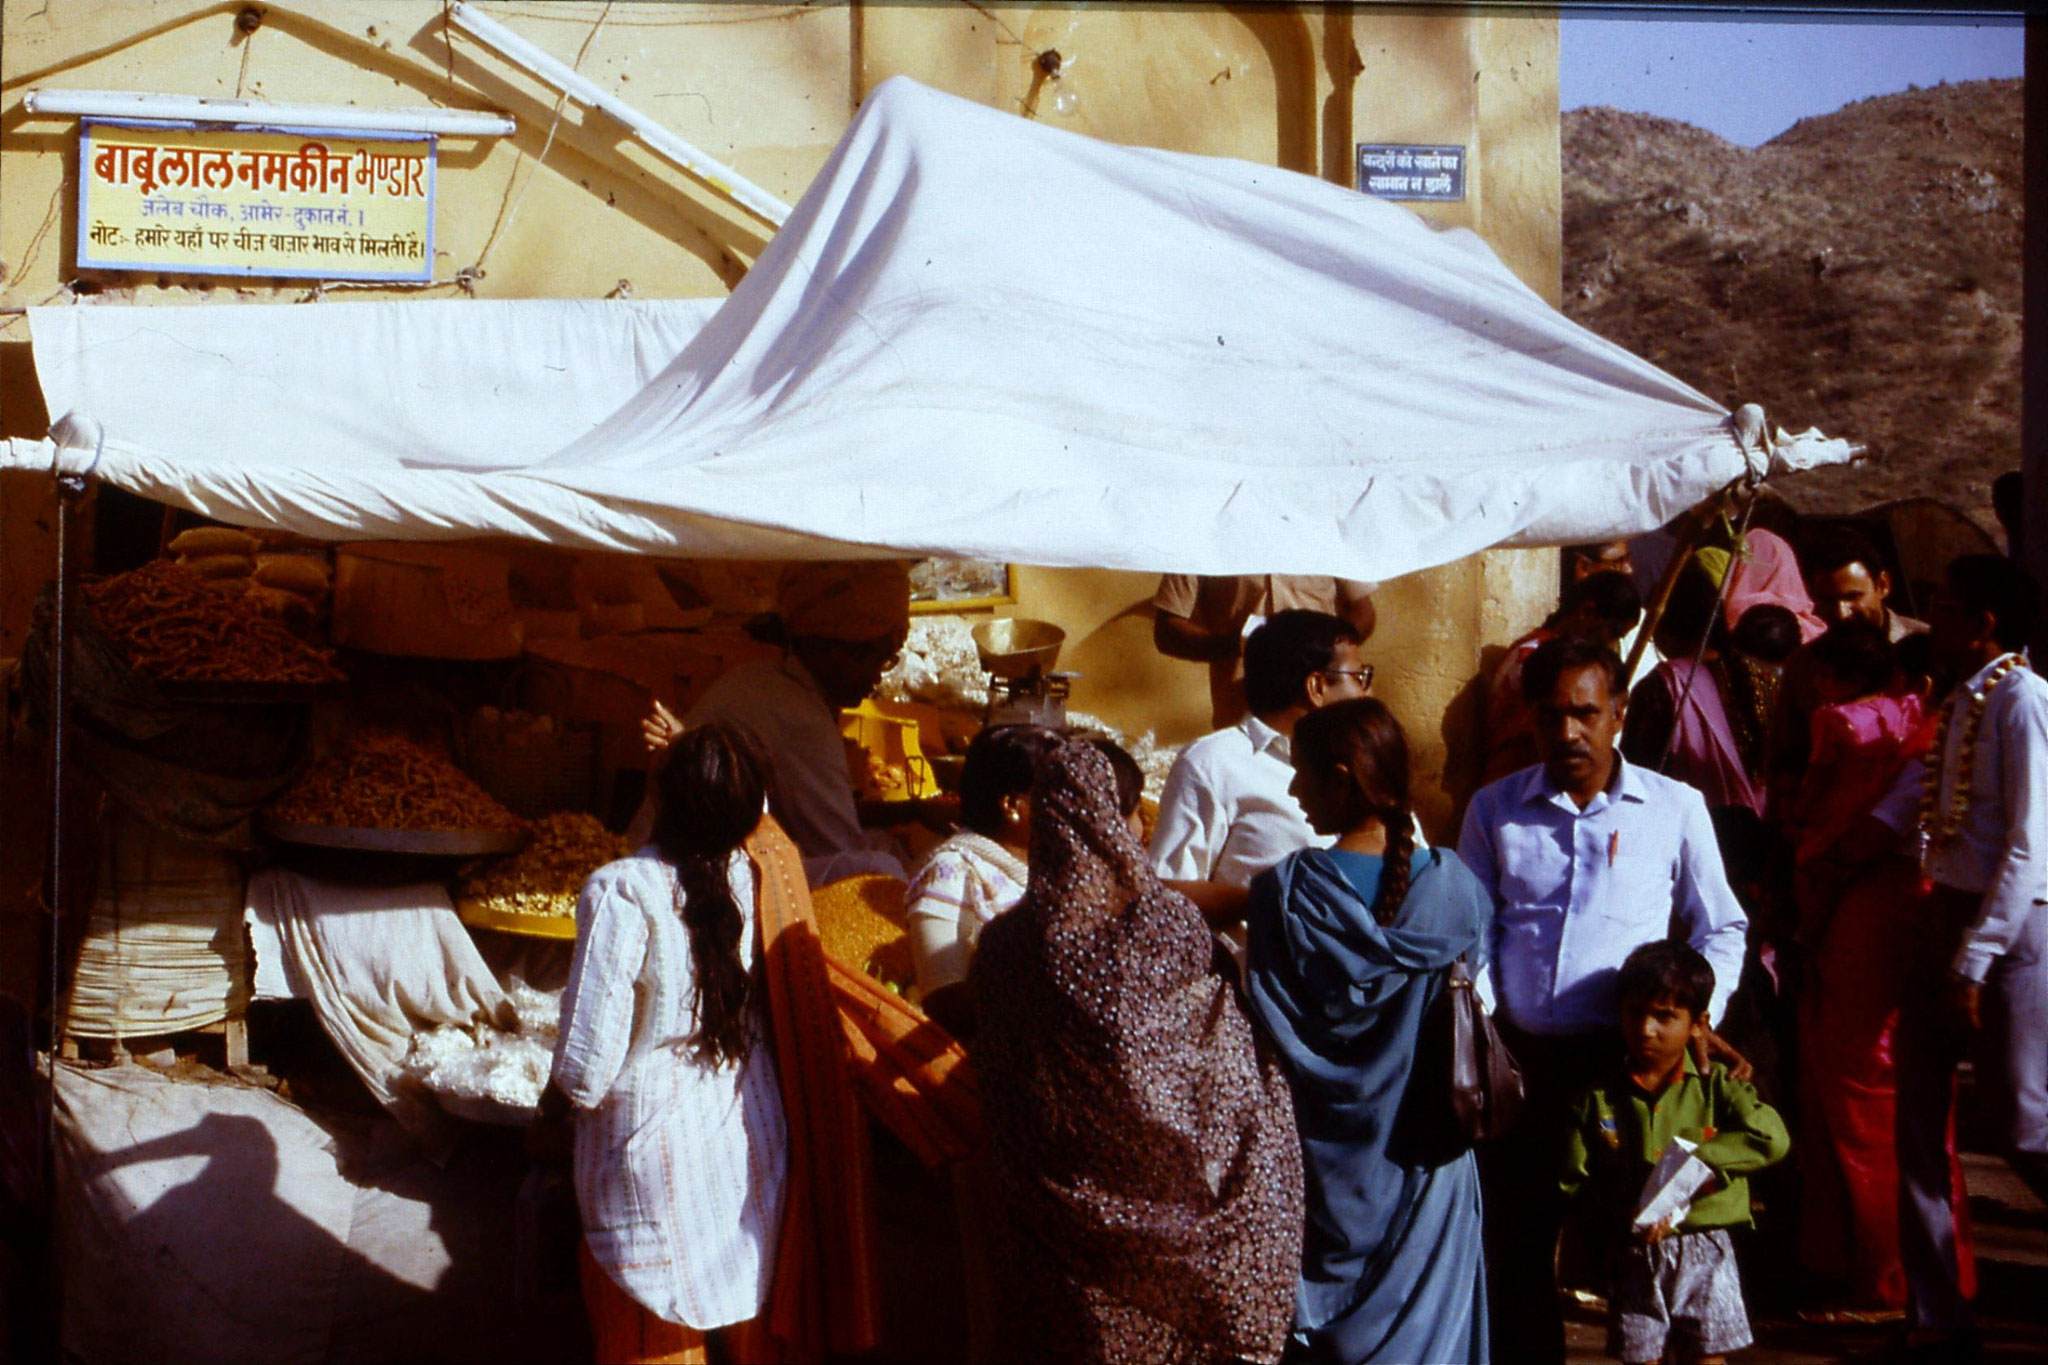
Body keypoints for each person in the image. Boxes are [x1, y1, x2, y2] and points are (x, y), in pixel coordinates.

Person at [1458, 636, 1749, 1365]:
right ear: (1529, 715)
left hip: (1635, 1070)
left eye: (1585, 713)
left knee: (1645, 1246)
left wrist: (1697, 1015)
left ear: (1618, 712)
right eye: (1551, 714)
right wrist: (1491, 1019)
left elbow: (1721, 925)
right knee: (1516, 1242)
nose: (1568, 733)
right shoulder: (1496, 808)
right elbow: (1474, 926)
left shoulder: (1674, 807)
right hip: (1523, 1062)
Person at [970, 741, 1304, 1365]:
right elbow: (1225, 1047)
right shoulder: (1173, 926)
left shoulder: (1006, 947)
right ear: (1111, 821)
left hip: (1067, 1229)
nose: (1143, 825)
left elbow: (1001, 1081)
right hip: (1188, 1215)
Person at [1243, 698, 1492, 1364]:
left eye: (1302, 774)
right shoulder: (1456, 890)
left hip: (1320, 1179)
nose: (1294, 792)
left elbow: (1266, 1031)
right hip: (1429, 1165)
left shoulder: (1284, 895)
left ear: (1343, 776)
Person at [540, 722, 787, 1364]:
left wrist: (547, 1111)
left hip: (649, 1157)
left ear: (661, 794)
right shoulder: (762, 876)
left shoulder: (623, 887)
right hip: (750, 1147)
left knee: (655, 1341)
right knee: (741, 1326)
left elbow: (587, 1066)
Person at [1868, 554, 2048, 1358]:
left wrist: (1975, 958)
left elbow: (2030, 845)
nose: (1928, 619)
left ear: (1983, 625)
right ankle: (1938, 1315)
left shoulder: (2023, 701)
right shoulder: (1962, 697)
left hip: (2011, 928)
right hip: (1944, 910)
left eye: (1941, 606)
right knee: (1916, 1120)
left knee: (2023, 1120)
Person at [1783, 620, 1971, 1321]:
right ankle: (1878, 1268)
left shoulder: (1909, 740)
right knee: (1865, 1087)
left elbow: (1871, 832)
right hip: (1880, 907)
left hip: (1869, 906)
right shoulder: (1914, 730)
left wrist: (1816, 883)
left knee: (1869, 1090)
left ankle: (1891, 1280)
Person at [1560, 942, 1790, 1365]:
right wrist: (1615, 1216)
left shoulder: (1717, 1085)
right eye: (1635, 1012)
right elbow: (1573, 1180)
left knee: (1707, 1357)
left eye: (1665, 1017)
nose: (1647, 1029)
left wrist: (1702, 1164)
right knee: (1640, 1356)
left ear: (1699, 1025)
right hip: (1632, 1250)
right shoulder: (1597, 1096)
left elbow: (1771, 1137)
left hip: (1706, 1247)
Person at [641, 561, 913, 886]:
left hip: (671, 865)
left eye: (887, 660)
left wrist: (904, 813)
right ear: (825, 647)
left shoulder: (756, 678)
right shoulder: (802, 720)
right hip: (686, 882)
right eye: (872, 658)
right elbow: (836, 846)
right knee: (878, 871)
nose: (876, 676)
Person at [1149, 609, 1375, 929]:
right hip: (1258, 973)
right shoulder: (1213, 763)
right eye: (1361, 677)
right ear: (1317, 687)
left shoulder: (1369, 761)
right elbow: (1167, 892)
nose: (1369, 693)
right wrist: (1279, 902)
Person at [903, 724, 1063, 1038]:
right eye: (1057, 796)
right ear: (1012, 806)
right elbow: (943, 998)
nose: (1072, 810)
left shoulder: (1048, 869)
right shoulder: (951, 871)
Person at [1622, 561, 1766, 817]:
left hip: (1689, 819)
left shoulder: (1662, 686)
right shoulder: (1757, 672)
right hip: (1761, 823)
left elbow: (1639, 770)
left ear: (1664, 627)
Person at [1152, 573, 1377, 728]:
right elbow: (1168, 632)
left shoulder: (1321, 521)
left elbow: (1363, 613)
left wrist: (1321, 649)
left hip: (1322, 707)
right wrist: (1244, 643)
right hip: (1243, 711)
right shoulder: (1206, 524)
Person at [1484, 569, 1641, 784]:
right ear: (1587, 612)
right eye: (1612, 633)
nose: (1611, 644)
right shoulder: (1538, 658)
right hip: (1523, 786)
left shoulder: (1538, 650)